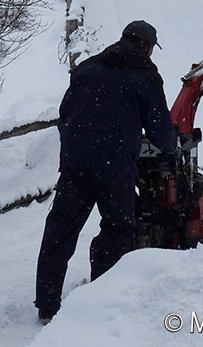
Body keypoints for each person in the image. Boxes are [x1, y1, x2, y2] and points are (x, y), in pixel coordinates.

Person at [34, 20, 177, 324]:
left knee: (61, 226)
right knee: (118, 227)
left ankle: (47, 303)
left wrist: (80, 144)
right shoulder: (145, 75)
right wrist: (172, 148)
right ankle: (99, 295)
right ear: (148, 47)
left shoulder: (87, 67)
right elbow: (160, 129)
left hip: (76, 161)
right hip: (114, 167)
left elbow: (65, 113)